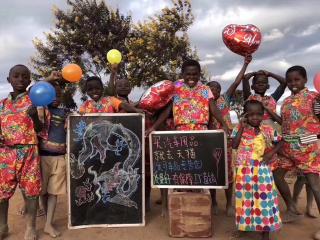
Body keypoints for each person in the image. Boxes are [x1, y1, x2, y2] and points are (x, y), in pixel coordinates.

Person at [0, 65, 43, 240]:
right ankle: (3, 225)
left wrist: (34, 116)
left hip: (29, 151)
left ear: (29, 81)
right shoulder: (2, 104)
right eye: (16, 76)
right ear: (9, 80)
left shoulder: (35, 102)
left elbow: (41, 129)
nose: (20, 80)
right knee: (2, 191)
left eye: (25, 77)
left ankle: (31, 227)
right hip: (5, 153)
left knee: (31, 191)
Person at [207, 54, 252, 216]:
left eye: (217, 88)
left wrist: (245, 64)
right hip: (209, 143)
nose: (215, 90)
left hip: (225, 142)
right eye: (211, 88)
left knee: (228, 174)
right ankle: (213, 201)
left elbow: (236, 81)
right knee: (211, 171)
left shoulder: (224, 99)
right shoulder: (202, 103)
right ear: (207, 90)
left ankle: (229, 204)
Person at [231, 100, 282, 240]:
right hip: (244, 170)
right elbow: (234, 145)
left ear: (263, 115)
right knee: (244, 200)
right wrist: (241, 126)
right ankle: (244, 227)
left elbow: (281, 141)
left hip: (262, 170)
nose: (255, 117)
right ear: (245, 115)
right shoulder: (239, 128)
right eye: (251, 114)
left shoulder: (267, 129)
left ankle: (265, 232)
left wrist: (271, 153)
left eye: (258, 114)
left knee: (264, 201)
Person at [279, 66, 320, 239]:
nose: (293, 83)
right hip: (288, 148)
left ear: (305, 80)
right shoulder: (287, 101)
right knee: (276, 174)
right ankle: (292, 208)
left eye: (296, 80)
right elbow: (285, 123)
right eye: (289, 81)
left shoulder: (314, 98)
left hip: (307, 149)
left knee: (314, 185)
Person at [146, 59, 229, 133]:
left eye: (194, 74)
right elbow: (167, 111)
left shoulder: (205, 89)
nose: (191, 77)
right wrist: (154, 127)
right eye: (188, 74)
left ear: (199, 74)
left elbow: (214, 109)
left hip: (202, 130)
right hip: (181, 131)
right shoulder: (175, 89)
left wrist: (224, 124)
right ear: (182, 74)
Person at [37, 71, 71, 238]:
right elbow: (33, 90)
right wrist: (48, 79)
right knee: (42, 192)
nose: (55, 98)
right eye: (51, 94)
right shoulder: (40, 110)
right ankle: (45, 219)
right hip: (42, 157)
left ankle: (48, 223)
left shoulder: (66, 113)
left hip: (59, 158)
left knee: (53, 192)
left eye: (58, 94)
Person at [79, 76, 143, 114]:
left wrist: (136, 110)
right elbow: (80, 117)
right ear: (87, 92)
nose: (94, 91)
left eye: (97, 88)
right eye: (90, 89)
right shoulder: (84, 105)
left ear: (102, 89)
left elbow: (123, 105)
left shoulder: (111, 100)